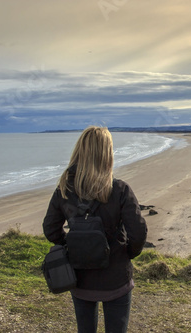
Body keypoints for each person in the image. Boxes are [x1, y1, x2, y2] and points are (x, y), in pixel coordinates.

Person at [43, 126, 147, 333]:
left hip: (80, 278)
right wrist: (126, 255)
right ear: (107, 154)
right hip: (116, 277)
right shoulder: (119, 189)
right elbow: (138, 233)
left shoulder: (65, 189)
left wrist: (72, 246)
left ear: (79, 151)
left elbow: (50, 229)